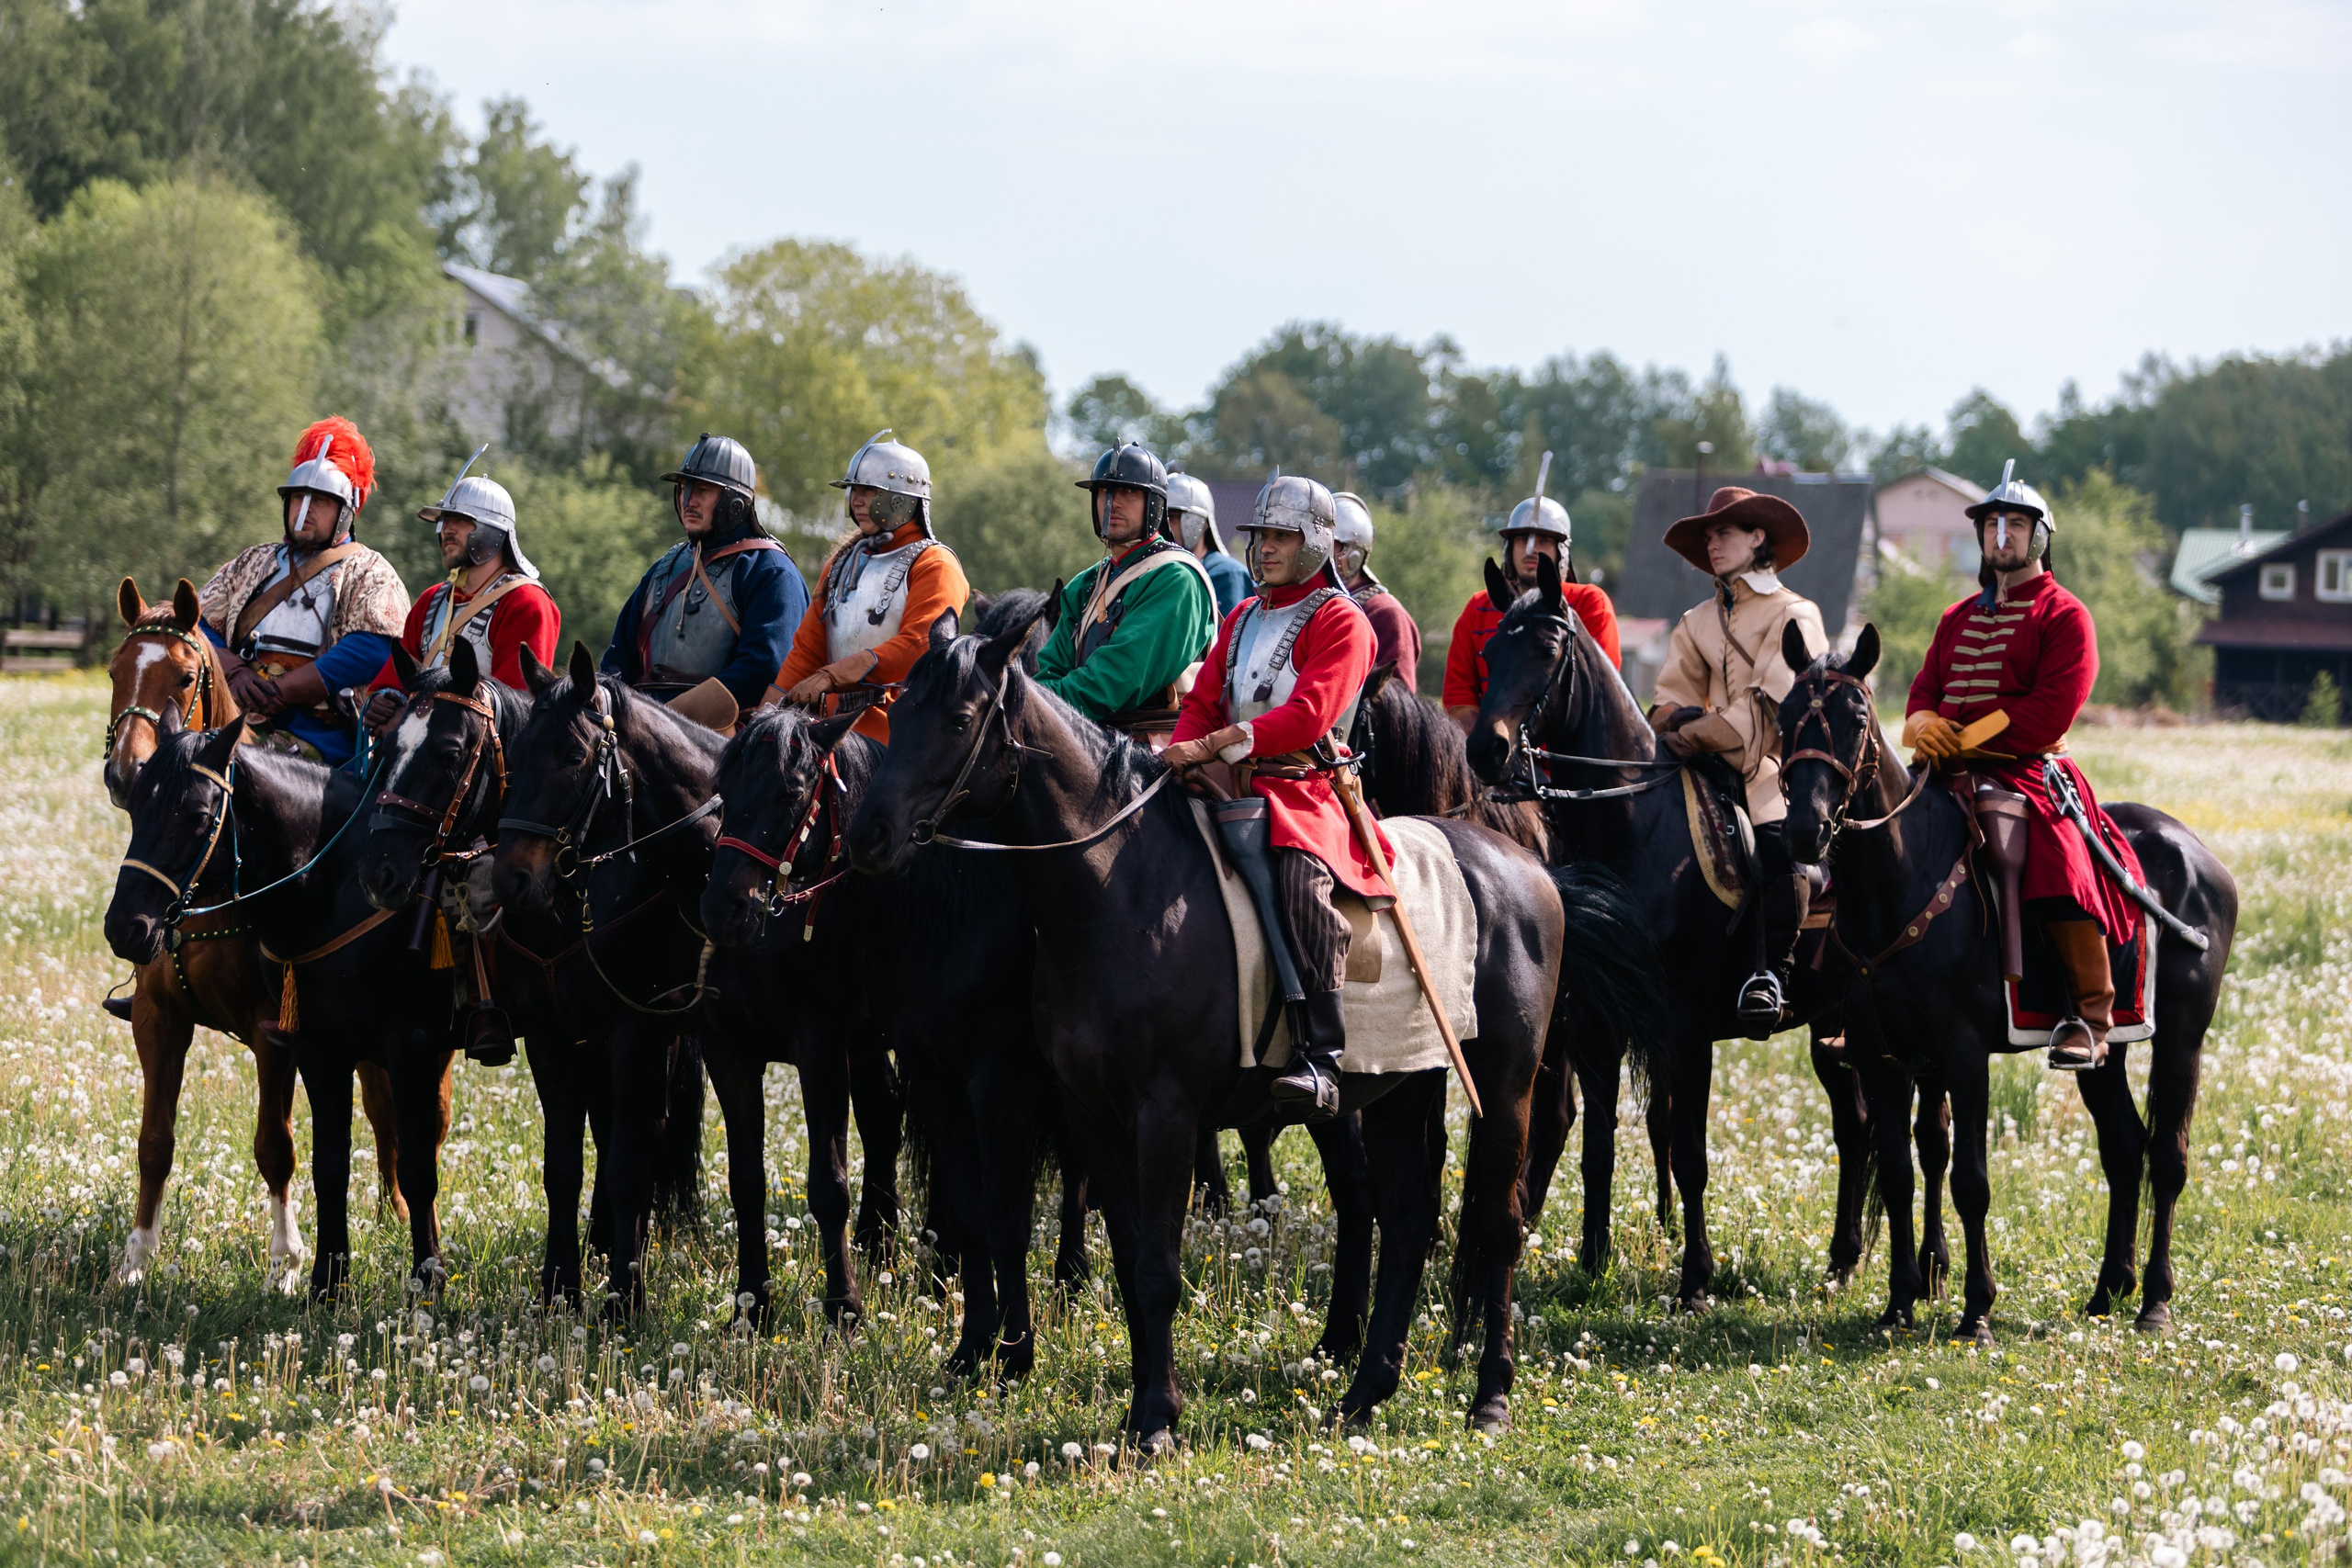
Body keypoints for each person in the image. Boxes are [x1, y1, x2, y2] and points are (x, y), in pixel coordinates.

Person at [1163, 475, 1392, 1120]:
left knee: (1299, 882)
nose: (1264, 548)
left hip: (1306, 789)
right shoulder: (1239, 618)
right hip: (1226, 782)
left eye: (1281, 536)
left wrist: (1219, 742)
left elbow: (1310, 713)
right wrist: (1181, 754)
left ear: (1316, 544)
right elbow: (1202, 702)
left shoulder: (1343, 619)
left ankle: (1321, 1055)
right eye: (1260, 535)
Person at [1905, 463, 2143, 1072]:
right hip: (1938, 771)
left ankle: (2090, 1016)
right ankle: (1865, 1003)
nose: (2001, 534)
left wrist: (1965, 740)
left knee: (2058, 858)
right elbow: (1923, 690)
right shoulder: (1955, 617)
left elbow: (2046, 712)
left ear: (2040, 536)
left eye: (2014, 522)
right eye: (1991, 523)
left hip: (2026, 773)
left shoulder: (2066, 615)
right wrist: (1923, 727)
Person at [1648, 485, 1828, 1032]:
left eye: (1722, 533)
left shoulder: (1797, 613)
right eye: (1707, 536)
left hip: (1774, 768)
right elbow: (1663, 704)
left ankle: (1771, 975)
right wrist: (1678, 726)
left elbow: (1768, 710)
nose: (1712, 543)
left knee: (1780, 848)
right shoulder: (1695, 619)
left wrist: (1691, 730)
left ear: (1757, 538)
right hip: (1700, 768)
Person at [197, 417, 411, 767]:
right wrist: (233, 671)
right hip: (235, 723)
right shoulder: (252, 561)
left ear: (345, 511)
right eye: (298, 498)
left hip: (326, 739)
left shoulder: (370, 570)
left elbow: (374, 647)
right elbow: (199, 625)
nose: (305, 511)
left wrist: (287, 690)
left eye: (320, 502)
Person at [769, 431, 969, 743]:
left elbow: (919, 646)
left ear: (902, 500)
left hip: (899, 738)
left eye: (870, 490)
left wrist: (832, 675)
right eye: (853, 490)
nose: (856, 500)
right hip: (828, 730)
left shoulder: (936, 564)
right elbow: (807, 651)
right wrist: (764, 716)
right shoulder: (842, 562)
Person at [602, 434, 808, 726]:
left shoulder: (769, 570)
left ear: (733, 502)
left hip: (725, 742)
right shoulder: (664, 567)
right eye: (684, 488)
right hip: (639, 733)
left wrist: (666, 723)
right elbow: (617, 660)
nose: (689, 501)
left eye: (703, 490)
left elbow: (764, 668)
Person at [1032, 443, 1218, 744]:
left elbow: (1119, 678)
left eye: (1129, 493)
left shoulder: (1176, 579)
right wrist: (1035, 704)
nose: (1112, 503)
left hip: (1160, 744)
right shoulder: (1086, 583)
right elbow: (1051, 667)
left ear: (1155, 503)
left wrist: (1036, 705)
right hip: (1081, 732)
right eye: (1105, 492)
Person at [362, 457, 560, 734]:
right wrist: (382, 701)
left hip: (485, 766)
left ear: (492, 530)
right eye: (445, 520)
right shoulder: (431, 600)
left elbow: (513, 710)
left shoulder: (526, 602)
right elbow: (391, 680)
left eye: (460, 520)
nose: (446, 530)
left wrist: (411, 719)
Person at [1442, 491, 1619, 732]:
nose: (1531, 550)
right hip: (1497, 757)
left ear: (1561, 552)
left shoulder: (1588, 602)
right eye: (1522, 539)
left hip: (1570, 763)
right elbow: (1459, 699)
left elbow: (1599, 691)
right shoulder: (1478, 608)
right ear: (1509, 548)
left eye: (1544, 541)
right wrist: (1496, 750)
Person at [1332, 491, 1420, 686]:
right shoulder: (1316, 606)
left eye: (1333, 544)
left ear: (1354, 551)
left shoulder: (1386, 614)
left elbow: (1399, 706)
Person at [1169, 469, 1251, 616]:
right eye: (1162, 518)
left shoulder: (1227, 574)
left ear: (1201, 523)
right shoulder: (1159, 574)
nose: (1166, 526)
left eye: (1173, 518)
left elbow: (1227, 637)